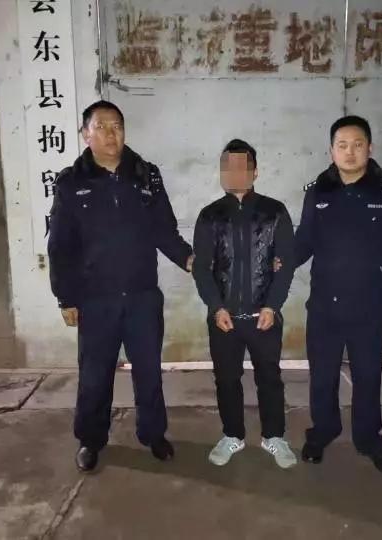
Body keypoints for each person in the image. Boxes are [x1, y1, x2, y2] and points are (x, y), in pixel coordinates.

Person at [47, 100, 194, 472]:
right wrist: (66, 297)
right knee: (94, 376)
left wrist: (189, 260)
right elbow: (61, 246)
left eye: (117, 126)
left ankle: (154, 434)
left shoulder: (146, 175)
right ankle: (90, 439)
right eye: (101, 127)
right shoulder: (71, 182)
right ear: (86, 134)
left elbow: (164, 230)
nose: (111, 134)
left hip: (142, 297)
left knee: (149, 372)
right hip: (95, 301)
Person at [295, 115, 382, 474]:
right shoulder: (318, 192)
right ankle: (322, 431)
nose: (350, 152)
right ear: (331, 151)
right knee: (322, 377)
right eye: (342, 145)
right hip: (324, 307)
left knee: (367, 378)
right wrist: (275, 262)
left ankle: (369, 439)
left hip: (370, 307)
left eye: (357, 145)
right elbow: (304, 242)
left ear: (370, 148)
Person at [192, 139, 297, 469]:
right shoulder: (210, 216)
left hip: (264, 316)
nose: (234, 173)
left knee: (269, 377)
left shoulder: (274, 212)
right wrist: (215, 307)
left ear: (255, 172)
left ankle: (274, 436)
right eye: (228, 167)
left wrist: (272, 306)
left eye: (241, 166)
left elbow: (286, 263)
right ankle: (232, 435)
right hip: (225, 318)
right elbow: (202, 268)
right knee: (226, 379)